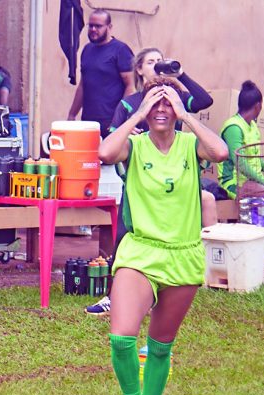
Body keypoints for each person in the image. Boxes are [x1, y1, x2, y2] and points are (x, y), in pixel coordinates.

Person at [97, 78, 228, 395]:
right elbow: (105, 151)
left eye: (167, 103)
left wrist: (187, 116)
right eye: (154, 103)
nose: (161, 109)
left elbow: (220, 151)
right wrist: (136, 114)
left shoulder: (189, 145)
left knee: (159, 347)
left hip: (182, 256)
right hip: (141, 252)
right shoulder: (135, 145)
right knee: (122, 339)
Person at [85, 47, 217, 316]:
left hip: (173, 173)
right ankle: (119, 294)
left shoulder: (175, 99)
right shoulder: (131, 103)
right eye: (152, 62)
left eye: (161, 61)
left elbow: (203, 101)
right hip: (140, 174)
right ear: (139, 69)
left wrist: (181, 75)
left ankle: (159, 292)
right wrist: (131, 126)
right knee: (129, 233)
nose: (158, 65)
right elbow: (109, 143)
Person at [218, 80, 264, 215]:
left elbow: (254, 158)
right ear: (257, 106)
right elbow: (241, 164)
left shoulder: (252, 126)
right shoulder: (234, 127)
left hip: (253, 181)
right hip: (234, 183)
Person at [66, 9, 134, 136]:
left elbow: (131, 86)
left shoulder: (121, 50)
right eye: (90, 25)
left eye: (98, 26)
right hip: (88, 123)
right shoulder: (87, 50)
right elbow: (83, 85)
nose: (93, 29)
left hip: (111, 123)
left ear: (109, 27)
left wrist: (119, 118)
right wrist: (71, 115)